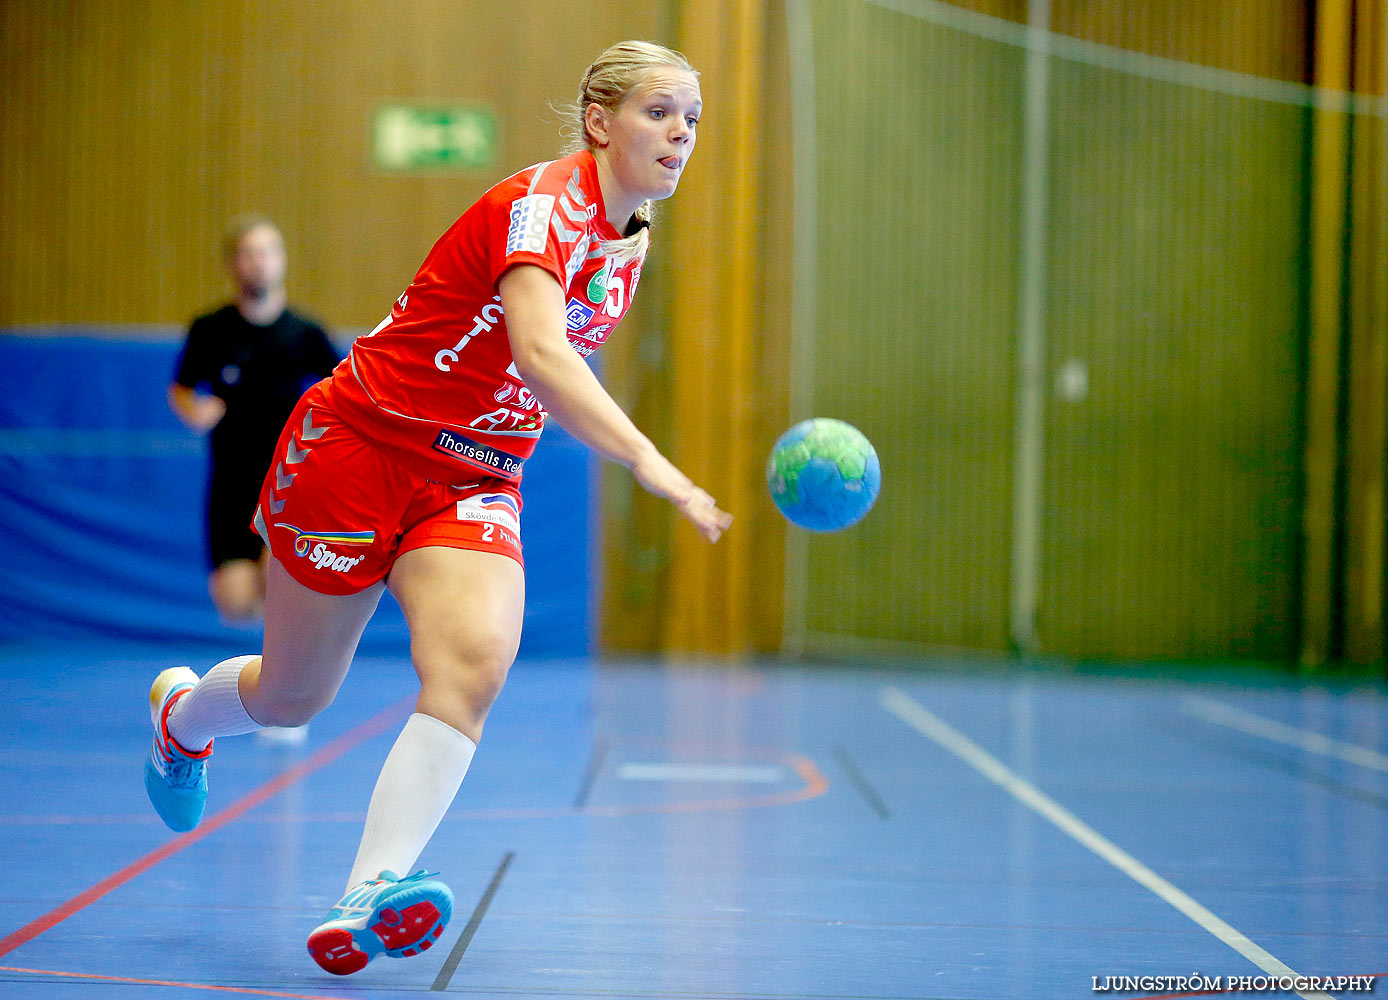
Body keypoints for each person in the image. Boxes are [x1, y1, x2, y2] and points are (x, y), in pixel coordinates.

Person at [142, 41, 729, 976]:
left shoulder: (635, 239)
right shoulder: (542, 207)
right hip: (359, 445)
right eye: (660, 112)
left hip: (475, 477)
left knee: (474, 664)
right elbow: (540, 352)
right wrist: (646, 456)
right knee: (294, 696)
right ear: (600, 122)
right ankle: (185, 719)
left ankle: (370, 888)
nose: (680, 134)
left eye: (692, 119)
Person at [168, 216, 339, 621]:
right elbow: (181, 387)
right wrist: (195, 411)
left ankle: (284, 671)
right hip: (230, 485)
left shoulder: (304, 333)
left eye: (266, 252)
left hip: (287, 481)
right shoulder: (210, 328)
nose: (258, 263)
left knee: (281, 589)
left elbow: (343, 385)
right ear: (233, 264)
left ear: (280, 261)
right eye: (248, 254)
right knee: (237, 604)